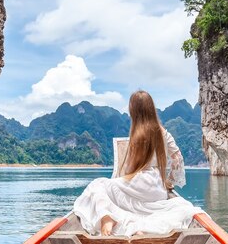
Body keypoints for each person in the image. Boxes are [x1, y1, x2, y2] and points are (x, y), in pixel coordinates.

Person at [73, 90, 204, 236]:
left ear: (134, 110)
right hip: (158, 190)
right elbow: (178, 157)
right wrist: (169, 180)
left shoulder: (138, 133)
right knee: (131, 200)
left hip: (140, 184)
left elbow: (131, 168)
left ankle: (107, 217)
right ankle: (135, 226)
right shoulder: (164, 133)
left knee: (97, 185)